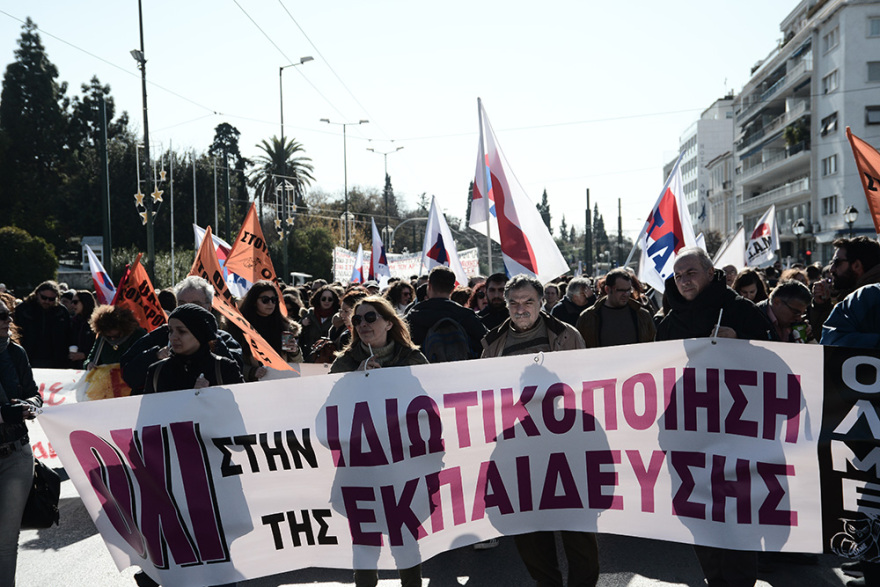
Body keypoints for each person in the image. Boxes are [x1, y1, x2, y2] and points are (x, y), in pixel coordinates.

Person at [655, 247, 773, 587]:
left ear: (710, 273)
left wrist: (741, 341)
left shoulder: (740, 310)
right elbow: (656, 375)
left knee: (735, 513)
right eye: (678, 276)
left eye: (691, 272)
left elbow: (776, 360)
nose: (684, 281)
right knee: (696, 511)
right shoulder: (670, 321)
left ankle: (738, 581)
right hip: (687, 432)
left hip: (736, 431)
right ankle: (715, 578)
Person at [480, 274, 597, 585]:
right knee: (531, 537)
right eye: (514, 303)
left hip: (566, 449)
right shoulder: (492, 345)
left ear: (542, 302)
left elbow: (585, 388)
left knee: (579, 535)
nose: (521, 309)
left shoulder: (567, 336)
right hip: (519, 452)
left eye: (528, 301)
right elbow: (486, 399)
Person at [328, 296, 427, 587]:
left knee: (405, 537)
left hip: (402, 463)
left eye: (370, 317)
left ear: (389, 322)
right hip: (360, 464)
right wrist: (356, 379)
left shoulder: (412, 359)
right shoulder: (345, 362)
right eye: (357, 319)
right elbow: (329, 409)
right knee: (364, 540)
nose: (363, 324)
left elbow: (429, 408)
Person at [120, 276, 243, 394]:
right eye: (182, 304)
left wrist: (213, 341)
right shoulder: (161, 336)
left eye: (195, 305)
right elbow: (130, 375)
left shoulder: (224, 341)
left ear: (209, 308)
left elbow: (236, 382)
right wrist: (155, 356)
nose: (188, 310)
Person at [0, 292, 41, 586]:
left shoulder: (16, 353)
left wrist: (30, 404)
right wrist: (6, 414)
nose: (7, 320)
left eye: (7, 314)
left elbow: (34, 393)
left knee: (6, 541)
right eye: (0, 316)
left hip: (16, 455)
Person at [141, 304, 244, 394]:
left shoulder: (224, 368)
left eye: (182, 331)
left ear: (199, 334)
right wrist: (191, 397)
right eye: (170, 331)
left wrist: (212, 395)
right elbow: (150, 409)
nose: (173, 337)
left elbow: (242, 405)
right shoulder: (157, 372)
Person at [405, 266, 487, 359]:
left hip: (424, 367)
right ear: (453, 289)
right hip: (462, 367)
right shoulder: (466, 316)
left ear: (429, 285)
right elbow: (486, 342)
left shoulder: (413, 316)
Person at [227, 281, 302, 380]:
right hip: (251, 385)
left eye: (274, 300)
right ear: (254, 301)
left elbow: (297, 363)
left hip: (280, 381)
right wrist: (251, 371)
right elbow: (230, 360)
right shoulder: (238, 326)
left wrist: (294, 352)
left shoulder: (286, 327)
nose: (270, 304)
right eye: (265, 300)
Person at [811, 237, 880, 335]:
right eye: (831, 263)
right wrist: (822, 305)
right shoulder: (860, 296)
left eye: (837, 262)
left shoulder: (867, 299)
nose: (831, 269)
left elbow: (836, 339)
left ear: (856, 265)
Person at [576, 268, 655, 347]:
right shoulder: (588, 317)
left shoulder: (642, 315)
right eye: (621, 290)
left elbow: (652, 345)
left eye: (628, 290)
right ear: (607, 289)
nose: (626, 294)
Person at [13, 280, 71, 368]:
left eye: (51, 299)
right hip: (27, 356)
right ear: (37, 294)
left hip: (55, 358)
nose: (47, 301)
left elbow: (67, 335)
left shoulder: (61, 312)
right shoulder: (23, 309)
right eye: (44, 297)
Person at [300, 285, 341, 353]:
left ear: (334, 301)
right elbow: (299, 335)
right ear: (319, 299)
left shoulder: (338, 317)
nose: (326, 301)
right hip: (309, 354)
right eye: (323, 299)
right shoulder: (309, 314)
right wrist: (302, 324)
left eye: (330, 299)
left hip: (328, 354)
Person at [68, 290, 96, 368]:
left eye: (75, 302)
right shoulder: (73, 322)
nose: (72, 305)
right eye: (71, 302)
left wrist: (84, 355)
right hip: (73, 366)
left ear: (85, 302)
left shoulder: (96, 322)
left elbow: (98, 347)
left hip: (91, 366)